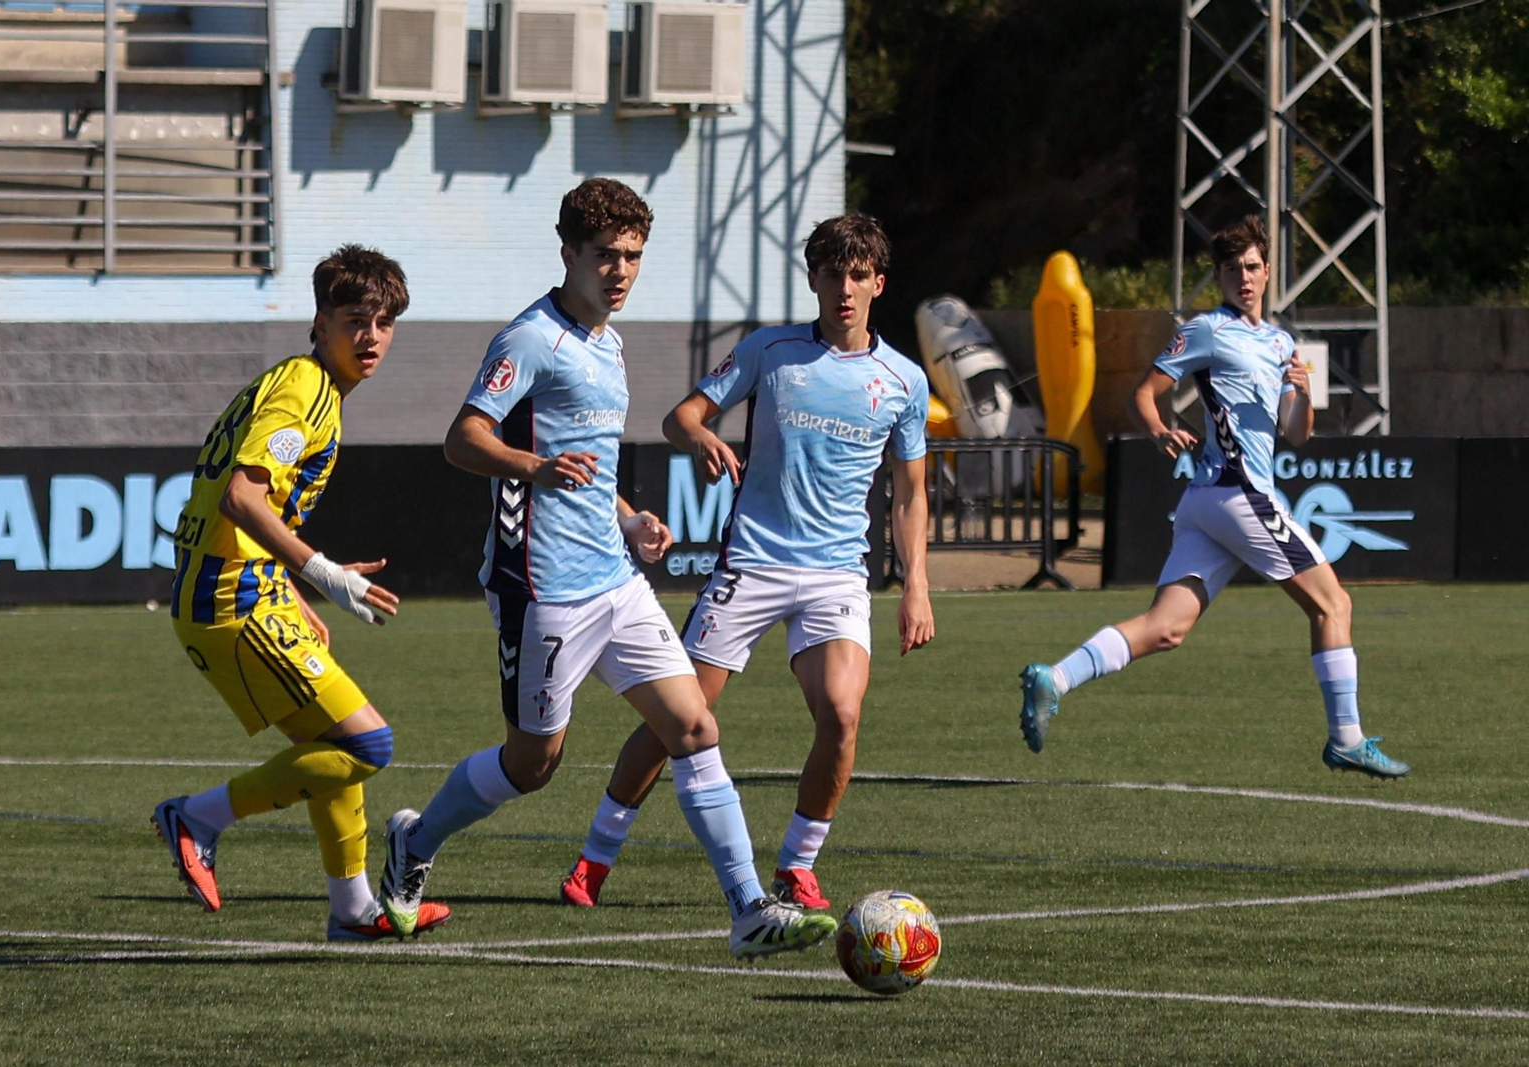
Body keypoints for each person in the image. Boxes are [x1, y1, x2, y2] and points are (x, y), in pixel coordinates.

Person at [377, 178, 838, 958]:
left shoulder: (610, 342)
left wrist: (629, 519)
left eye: (631, 256)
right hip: (543, 590)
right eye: (604, 256)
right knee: (534, 764)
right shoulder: (530, 339)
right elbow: (462, 440)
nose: (620, 271)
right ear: (569, 254)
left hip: (615, 582)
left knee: (694, 724)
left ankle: (748, 908)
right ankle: (415, 842)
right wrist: (533, 464)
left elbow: (588, 466)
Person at [559, 213, 935, 912]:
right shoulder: (769, 350)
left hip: (837, 575)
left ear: (878, 283)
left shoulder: (905, 381)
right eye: (831, 275)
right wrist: (700, 433)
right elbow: (681, 416)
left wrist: (917, 586)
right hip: (752, 565)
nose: (844, 290)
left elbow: (911, 493)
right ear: (814, 280)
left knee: (843, 716)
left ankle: (798, 864)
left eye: (858, 276)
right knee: (681, 715)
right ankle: (595, 855)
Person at [1017, 215, 1409, 779]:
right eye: (1231, 270)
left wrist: (1301, 393)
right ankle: (1346, 738)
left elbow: (1295, 433)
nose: (1243, 278)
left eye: (1251, 267)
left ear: (1268, 271)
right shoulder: (1208, 330)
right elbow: (1145, 394)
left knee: (1166, 628)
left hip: (1211, 505)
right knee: (1334, 604)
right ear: (1220, 277)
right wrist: (1159, 432)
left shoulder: (1279, 342)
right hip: (1237, 493)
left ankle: (1053, 679)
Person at [152, 245, 454, 941]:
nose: (370, 336)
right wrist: (323, 571)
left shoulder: (308, 387)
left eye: (384, 322)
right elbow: (240, 496)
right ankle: (197, 817)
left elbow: (257, 502)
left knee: (334, 743)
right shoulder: (306, 389)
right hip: (230, 596)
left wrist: (297, 589)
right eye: (354, 319)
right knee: (370, 743)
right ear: (319, 322)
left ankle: (351, 910)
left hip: (247, 587)